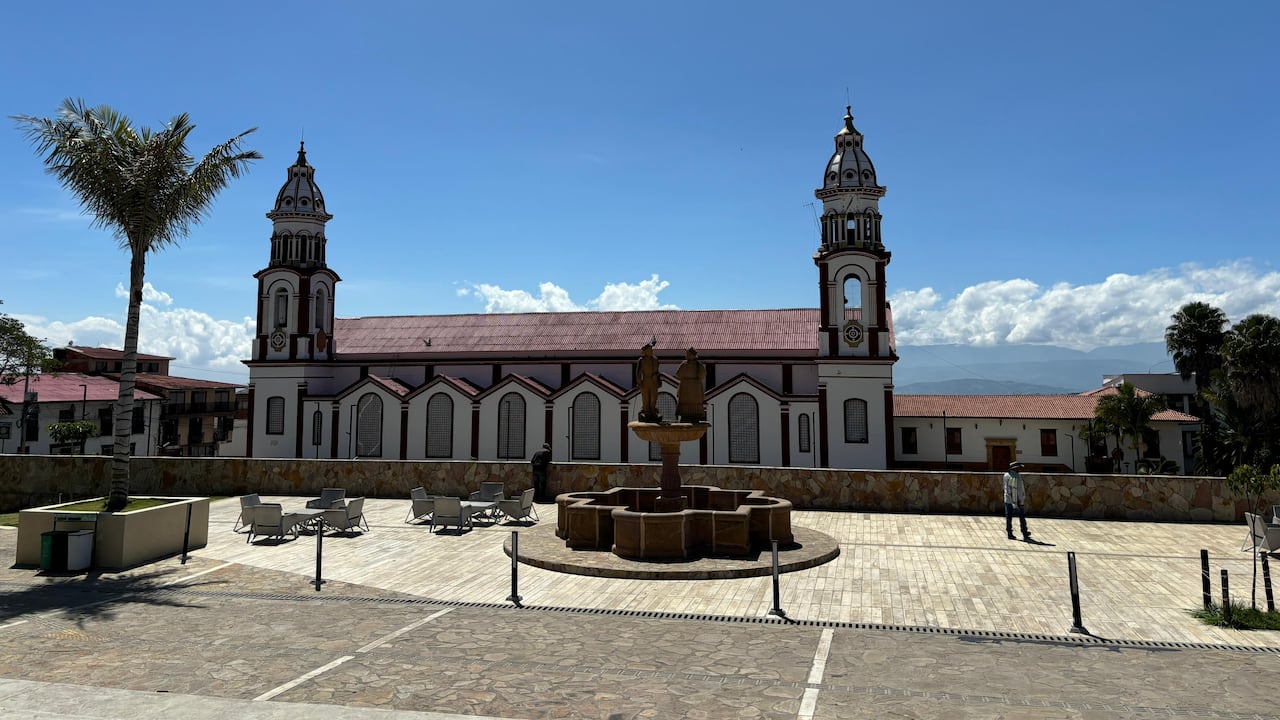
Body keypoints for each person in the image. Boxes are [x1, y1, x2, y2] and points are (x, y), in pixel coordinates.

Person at [676, 347, 706, 423]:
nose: (687, 355)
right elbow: (703, 375)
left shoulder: (692, 365)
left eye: (688, 354)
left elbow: (679, 374)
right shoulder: (698, 365)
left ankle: (692, 416)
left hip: (689, 386)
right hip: (693, 387)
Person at [1003, 461, 1031, 541]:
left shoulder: (1006, 475)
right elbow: (1019, 491)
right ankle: (1024, 532)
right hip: (1016, 501)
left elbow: (1005, 488)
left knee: (1009, 517)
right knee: (1021, 517)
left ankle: (1009, 533)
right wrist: (1021, 502)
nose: (1020, 469)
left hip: (1007, 499)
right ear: (1015, 468)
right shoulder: (1017, 477)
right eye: (1019, 468)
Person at [636, 343, 661, 422]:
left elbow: (657, 371)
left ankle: (653, 411)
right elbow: (638, 372)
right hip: (646, 380)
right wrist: (639, 382)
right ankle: (646, 412)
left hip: (654, 381)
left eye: (652, 350)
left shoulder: (655, 359)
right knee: (646, 398)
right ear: (645, 351)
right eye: (650, 350)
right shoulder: (641, 360)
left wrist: (658, 379)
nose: (651, 351)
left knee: (654, 397)